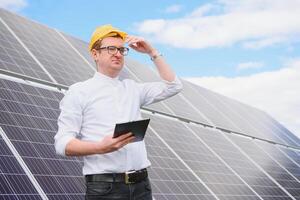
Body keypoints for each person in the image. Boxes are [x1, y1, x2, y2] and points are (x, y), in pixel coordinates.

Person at [54, 24, 183, 200]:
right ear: (95, 54)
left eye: (122, 50)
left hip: (142, 187)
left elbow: (174, 86)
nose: (118, 53)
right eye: (111, 48)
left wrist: (152, 52)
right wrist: (100, 147)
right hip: (105, 189)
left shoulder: (132, 89)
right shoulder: (79, 91)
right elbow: (62, 144)